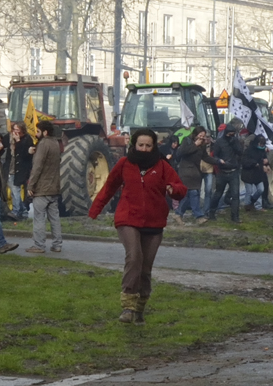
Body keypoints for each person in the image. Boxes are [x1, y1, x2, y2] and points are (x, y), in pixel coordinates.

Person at [89, 128, 187, 324]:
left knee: (145, 268)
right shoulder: (124, 164)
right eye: (140, 145)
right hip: (128, 218)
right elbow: (109, 187)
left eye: (148, 145)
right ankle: (127, 306)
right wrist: (95, 210)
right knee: (134, 257)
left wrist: (172, 189)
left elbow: (180, 189)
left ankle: (140, 308)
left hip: (154, 222)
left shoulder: (162, 166)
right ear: (134, 145)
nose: (143, 149)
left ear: (153, 146)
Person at [26, 120, 62, 254]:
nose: (36, 134)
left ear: (45, 132)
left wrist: (31, 184)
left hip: (42, 188)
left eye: (38, 131)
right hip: (54, 187)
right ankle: (57, 244)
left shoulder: (43, 144)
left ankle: (39, 245)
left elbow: (38, 166)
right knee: (54, 218)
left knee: (39, 218)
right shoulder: (55, 143)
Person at [173, 126, 221, 225]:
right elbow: (182, 152)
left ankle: (178, 213)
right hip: (185, 171)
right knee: (194, 193)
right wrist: (195, 145)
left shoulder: (202, 145)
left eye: (203, 136)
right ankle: (198, 216)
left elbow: (205, 157)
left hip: (195, 172)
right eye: (200, 135)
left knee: (188, 195)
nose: (202, 138)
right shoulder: (187, 141)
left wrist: (217, 161)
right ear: (195, 134)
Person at [208, 122, 244, 223]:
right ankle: (212, 212)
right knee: (218, 193)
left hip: (233, 171)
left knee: (235, 195)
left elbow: (240, 152)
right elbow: (215, 155)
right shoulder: (219, 142)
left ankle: (235, 217)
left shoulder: (235, 141)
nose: (230, 136)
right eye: (229, 134)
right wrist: (219, 161)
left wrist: (234, 144)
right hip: (222, 171)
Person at [4, 122, 34, 220]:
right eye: (14, 129)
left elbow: (24, 155)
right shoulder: (9, 138)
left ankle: (16, 211)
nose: (15, 132)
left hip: (21, 169)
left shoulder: (27, 139)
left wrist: (18, 142)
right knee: (14, 190)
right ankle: (24, 211)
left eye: (17, 129)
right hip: (11, 168)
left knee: (15, 190)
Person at [241, 135, 268, 212]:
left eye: (263, 144)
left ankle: (252, 202)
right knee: (249, 191)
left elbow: (263, 159)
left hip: (258, 174)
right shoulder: (248, 150)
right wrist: (254, 163)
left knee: (261, 189)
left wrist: (267, 164)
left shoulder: (262, 150)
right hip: (248, 173)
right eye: (261, 144)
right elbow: (244, 161)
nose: (262, 146)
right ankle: (248, 206)